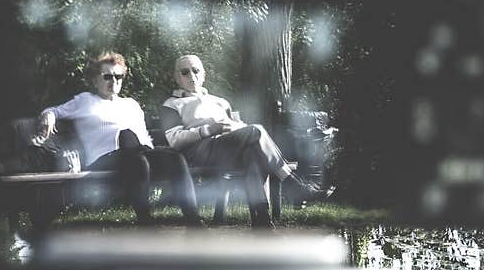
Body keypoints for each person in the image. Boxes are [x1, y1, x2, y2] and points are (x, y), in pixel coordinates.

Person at [161, 54, 332, 229]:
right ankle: (292, 185)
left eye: (196, 70)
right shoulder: (173, 104)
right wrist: (206, 130)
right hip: (199, 151)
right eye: (185, 72)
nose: (191, 75)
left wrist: (237, 128)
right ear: (176, 77)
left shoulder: (220, 102)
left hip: (229, 147)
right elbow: (174, 139)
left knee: (252, 153)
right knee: (256, 130)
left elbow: (238, 124)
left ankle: (262, 218)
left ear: (203, 74)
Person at [38, 52, 203, 225]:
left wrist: (155, 153)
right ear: (95, 80)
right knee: (135, 154)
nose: (114, 81)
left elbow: (145, 137)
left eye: (118, 76)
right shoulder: (85, 101)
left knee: (175, 158)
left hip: (140, 154)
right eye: (107, 76)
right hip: (104, 157)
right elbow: (54, 111)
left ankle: (194, 220)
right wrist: (49, 115)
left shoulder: (131, 104)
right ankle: (145, 221)